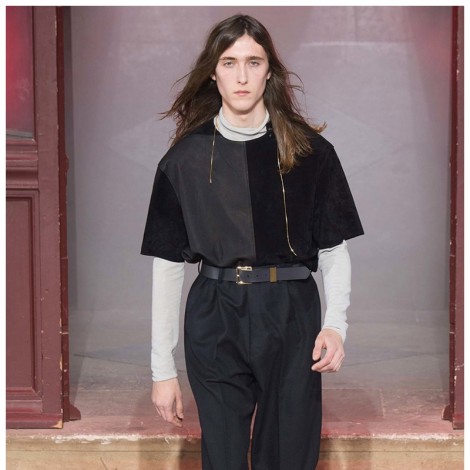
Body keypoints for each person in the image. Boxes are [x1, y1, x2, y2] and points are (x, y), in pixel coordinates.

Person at [141, 14, 364, 470]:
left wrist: (335, 325)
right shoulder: (184, 160)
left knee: (288, 456)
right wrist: (162, 369)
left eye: (253, 62)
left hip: (291, 312)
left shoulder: (309, 153)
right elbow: (167, 266)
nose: (241, 76)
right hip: (215, 313)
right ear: (213, 72)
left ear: (269, 71)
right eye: (229, 62)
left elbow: (333, 248)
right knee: (222, 457)